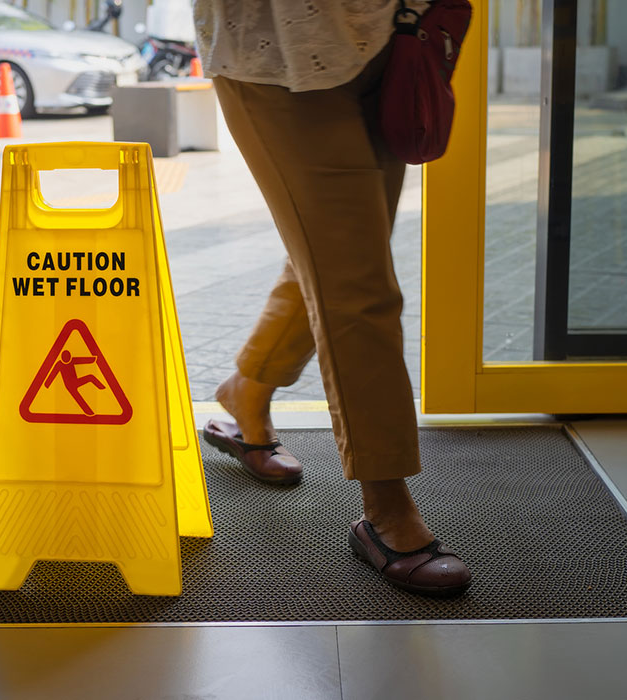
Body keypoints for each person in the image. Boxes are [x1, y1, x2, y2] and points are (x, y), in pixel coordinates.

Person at [193, 0, 472, 595]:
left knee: (341, 259)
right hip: (280, 55)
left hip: (393, 37)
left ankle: (249, 389)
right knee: (359, 289)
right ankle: (387, 510)